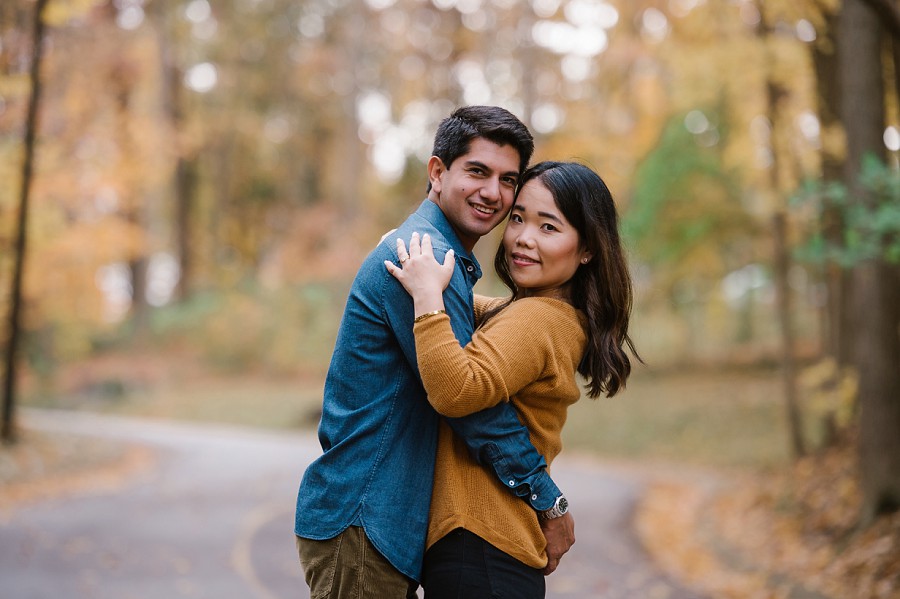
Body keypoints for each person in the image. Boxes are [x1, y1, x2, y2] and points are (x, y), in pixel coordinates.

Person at [294, 107, 574, 598]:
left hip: (378, 523)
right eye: (477, 171)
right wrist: (549, 502)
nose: (493, 192)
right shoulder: (419, 259)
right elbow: (475, 408)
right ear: (438, 172)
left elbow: (479, 329)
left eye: (508, 179)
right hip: (365, 518)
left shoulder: (438, 262)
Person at [384, 161, 639, 598]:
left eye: (549, 227)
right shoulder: (544, 314)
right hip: (490, 552)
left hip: (482, 551)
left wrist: (427, 298)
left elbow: (456, 390)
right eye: (518, 217)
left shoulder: (537, 320)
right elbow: (478, 310)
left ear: (587, 249)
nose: (523, 237)